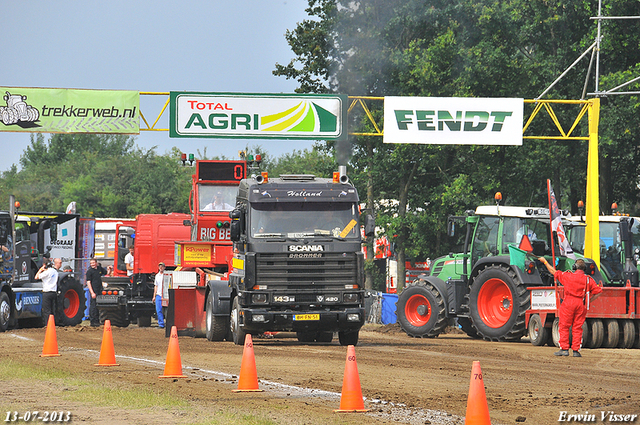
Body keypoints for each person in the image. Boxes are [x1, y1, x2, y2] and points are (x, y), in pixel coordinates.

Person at [538, 257, 603, 357]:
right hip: (580, 303)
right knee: (577, 328)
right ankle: (576, 351)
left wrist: (545, 262)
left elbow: (553, 271)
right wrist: (588, 300)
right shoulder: (588, 279)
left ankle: (564, 349)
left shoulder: (567, 276)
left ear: (574, 267)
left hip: (568, 303)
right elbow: (598, 291)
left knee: (564, 326)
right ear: (584, 268)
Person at [35, 256, 58, 324]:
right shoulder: (55, 271)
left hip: (47, 292)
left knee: (47, 310)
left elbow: (36, 277)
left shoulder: (46, 272)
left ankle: (48, 324)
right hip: (54, 291)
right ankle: (54, 323)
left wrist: (40, 270)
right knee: (53, 309)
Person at [86, 258, 107, 327]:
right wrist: (92, 292)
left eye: (93, 263)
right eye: (91, 263)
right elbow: (88, 282)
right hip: (94, 290)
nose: (92, 264)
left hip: (100, 289)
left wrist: (109, 269)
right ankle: (93, 321)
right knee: (93, 306)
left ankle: (98, 320)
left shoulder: (99, 269)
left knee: (99, 305)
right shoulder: (89, 271)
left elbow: (106, 274)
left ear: (96, 263)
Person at [152, 262, 166, 328]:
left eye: (162, 266)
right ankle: (161, 324)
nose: (161, 267)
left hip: (165, 295)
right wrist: (154, 296)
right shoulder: (157, 276)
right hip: (159, 294)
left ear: (164, 267)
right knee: (158, 310)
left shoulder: (166, 275)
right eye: (160, 266)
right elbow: (156, 286)